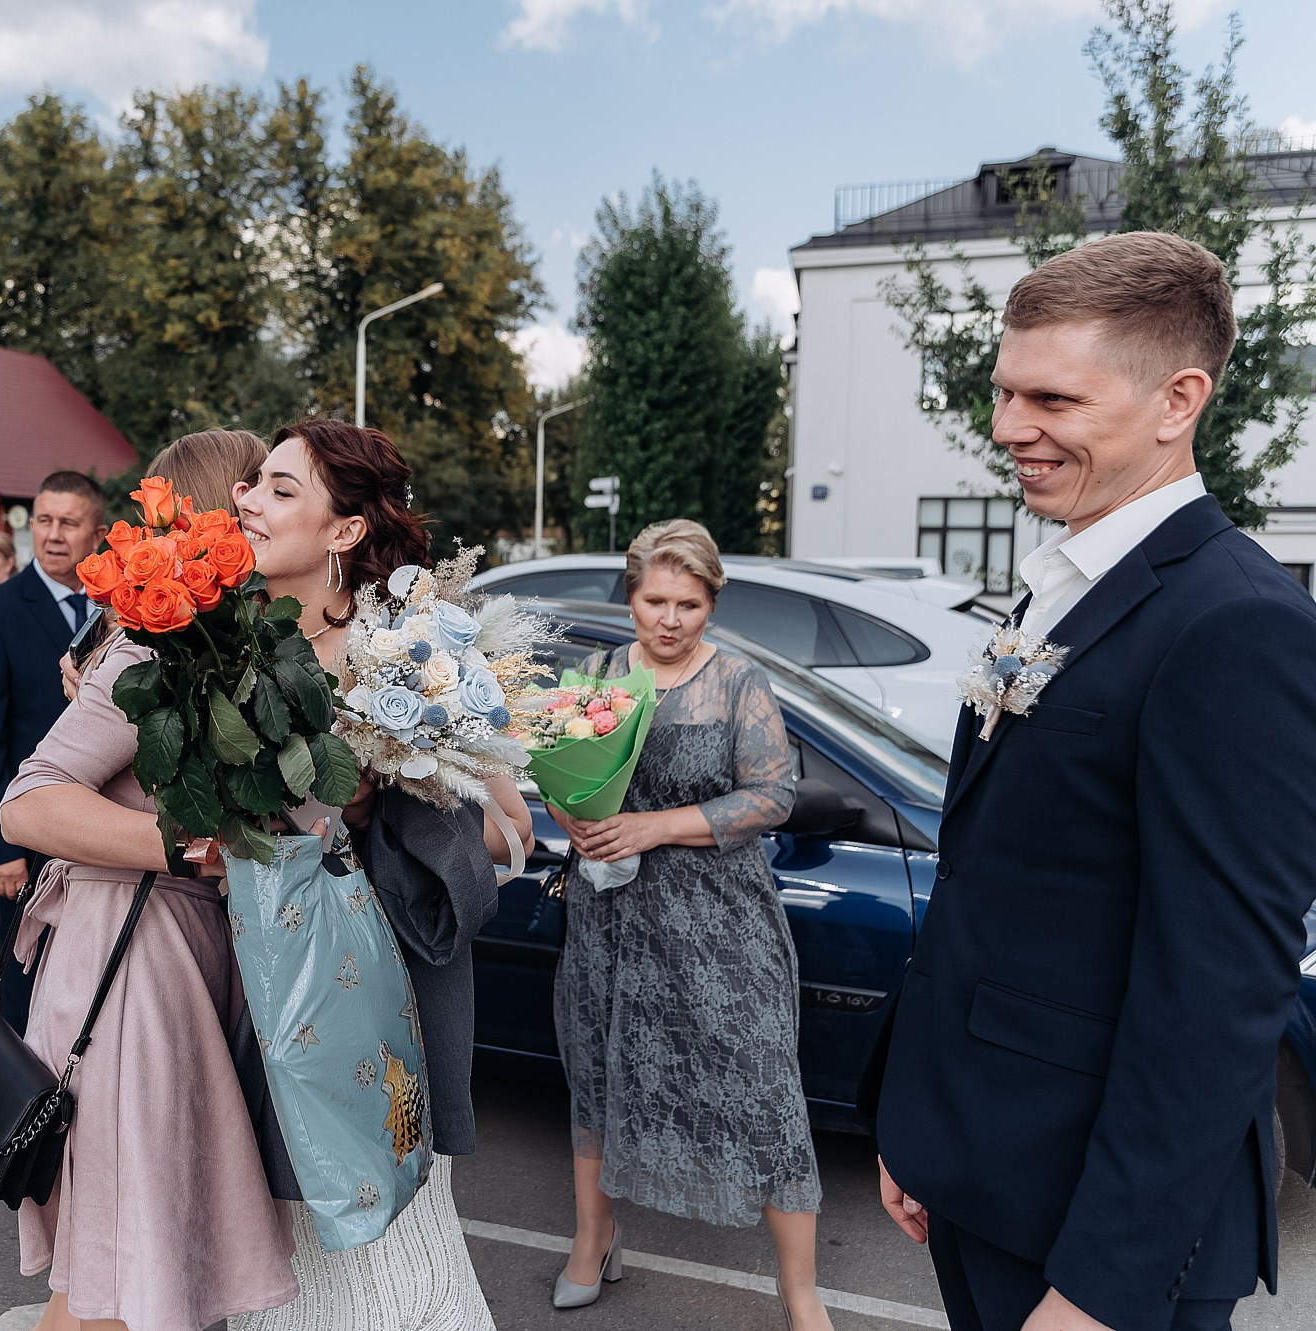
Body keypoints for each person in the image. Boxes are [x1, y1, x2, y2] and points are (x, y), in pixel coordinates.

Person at [872, 232, 1316, 1331]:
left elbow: (1215, 993)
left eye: (1051, 399)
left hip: (1094, 1237)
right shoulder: (1065, 578)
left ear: (1177, 400)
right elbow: (1003, 882)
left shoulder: (1235, 623)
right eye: (1002, 392)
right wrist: (917, 1125)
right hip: (984, 1161)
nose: (1005, 427)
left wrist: (1098, 1290)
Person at [227, 419, 530, 1331]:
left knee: (391, 1260)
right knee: (284, 1259)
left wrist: (381, 802)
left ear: (346, 530)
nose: (250, 500)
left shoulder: (417, 651)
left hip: (387, 1000)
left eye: (283, 490)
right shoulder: (221, 648)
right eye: (255, 484)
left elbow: (513, 833)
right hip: (260, 992)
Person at [0, 429, 297, 1331]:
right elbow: (29, 801)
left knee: (106, 1276)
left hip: (163, 959)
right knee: (123, 1284)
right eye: (256, 495)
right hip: (127, 965)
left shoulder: (215, 647)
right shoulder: (149, 652)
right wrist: (188, 846)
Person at [545, 519, 829, 1325]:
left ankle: (801, 1291)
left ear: (712, 602)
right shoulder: (598, 672)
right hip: (611, 915)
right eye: (654, 599)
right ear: (631, 596)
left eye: (689, 603)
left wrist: (653, 825)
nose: (669, 619)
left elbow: (772, 796)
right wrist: (577, 817)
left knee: (766, 1089)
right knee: (598, 1072)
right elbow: (561, 773)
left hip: (720, 923)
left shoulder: (738, 682)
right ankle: (592, 1240)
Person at [0, 470, 105, 1026]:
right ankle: (19, 1106)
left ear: (98, 531)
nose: (54, 534)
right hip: (27, 837)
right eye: (44, 521)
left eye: (69, 522)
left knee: (84, 981)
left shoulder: (120, 608)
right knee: (22, 981)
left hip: (100, 831)